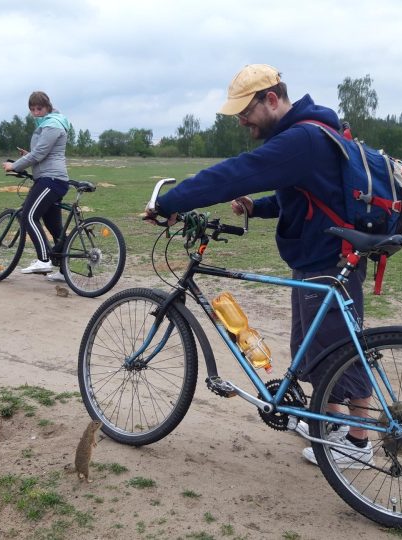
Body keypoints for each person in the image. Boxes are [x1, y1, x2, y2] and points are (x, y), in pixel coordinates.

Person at [144, 64, 374, 468]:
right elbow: (306, 198)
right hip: (318, 253)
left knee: (339, 349)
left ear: (271, 99)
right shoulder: (304, 134)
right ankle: (333, 425)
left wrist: (170, 202)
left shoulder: (302, 138)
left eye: (245, 111)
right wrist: (259, 206)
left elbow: (236, 173)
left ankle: (358, 442)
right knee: (318, 347)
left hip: (328, 255)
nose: (242, 122)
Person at [3, 91, 72, 283]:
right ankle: (63, 271)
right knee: (54, 227)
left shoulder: (51, 124)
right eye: (32, 109)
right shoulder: (49, 123)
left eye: (39, 108)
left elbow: (40, 154)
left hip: (50, 180)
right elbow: (42, 153)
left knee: (28, 215)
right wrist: (28, 154)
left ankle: (44, 259)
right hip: (51, 179)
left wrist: (15, 165)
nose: (35, 112)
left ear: (48, 107)